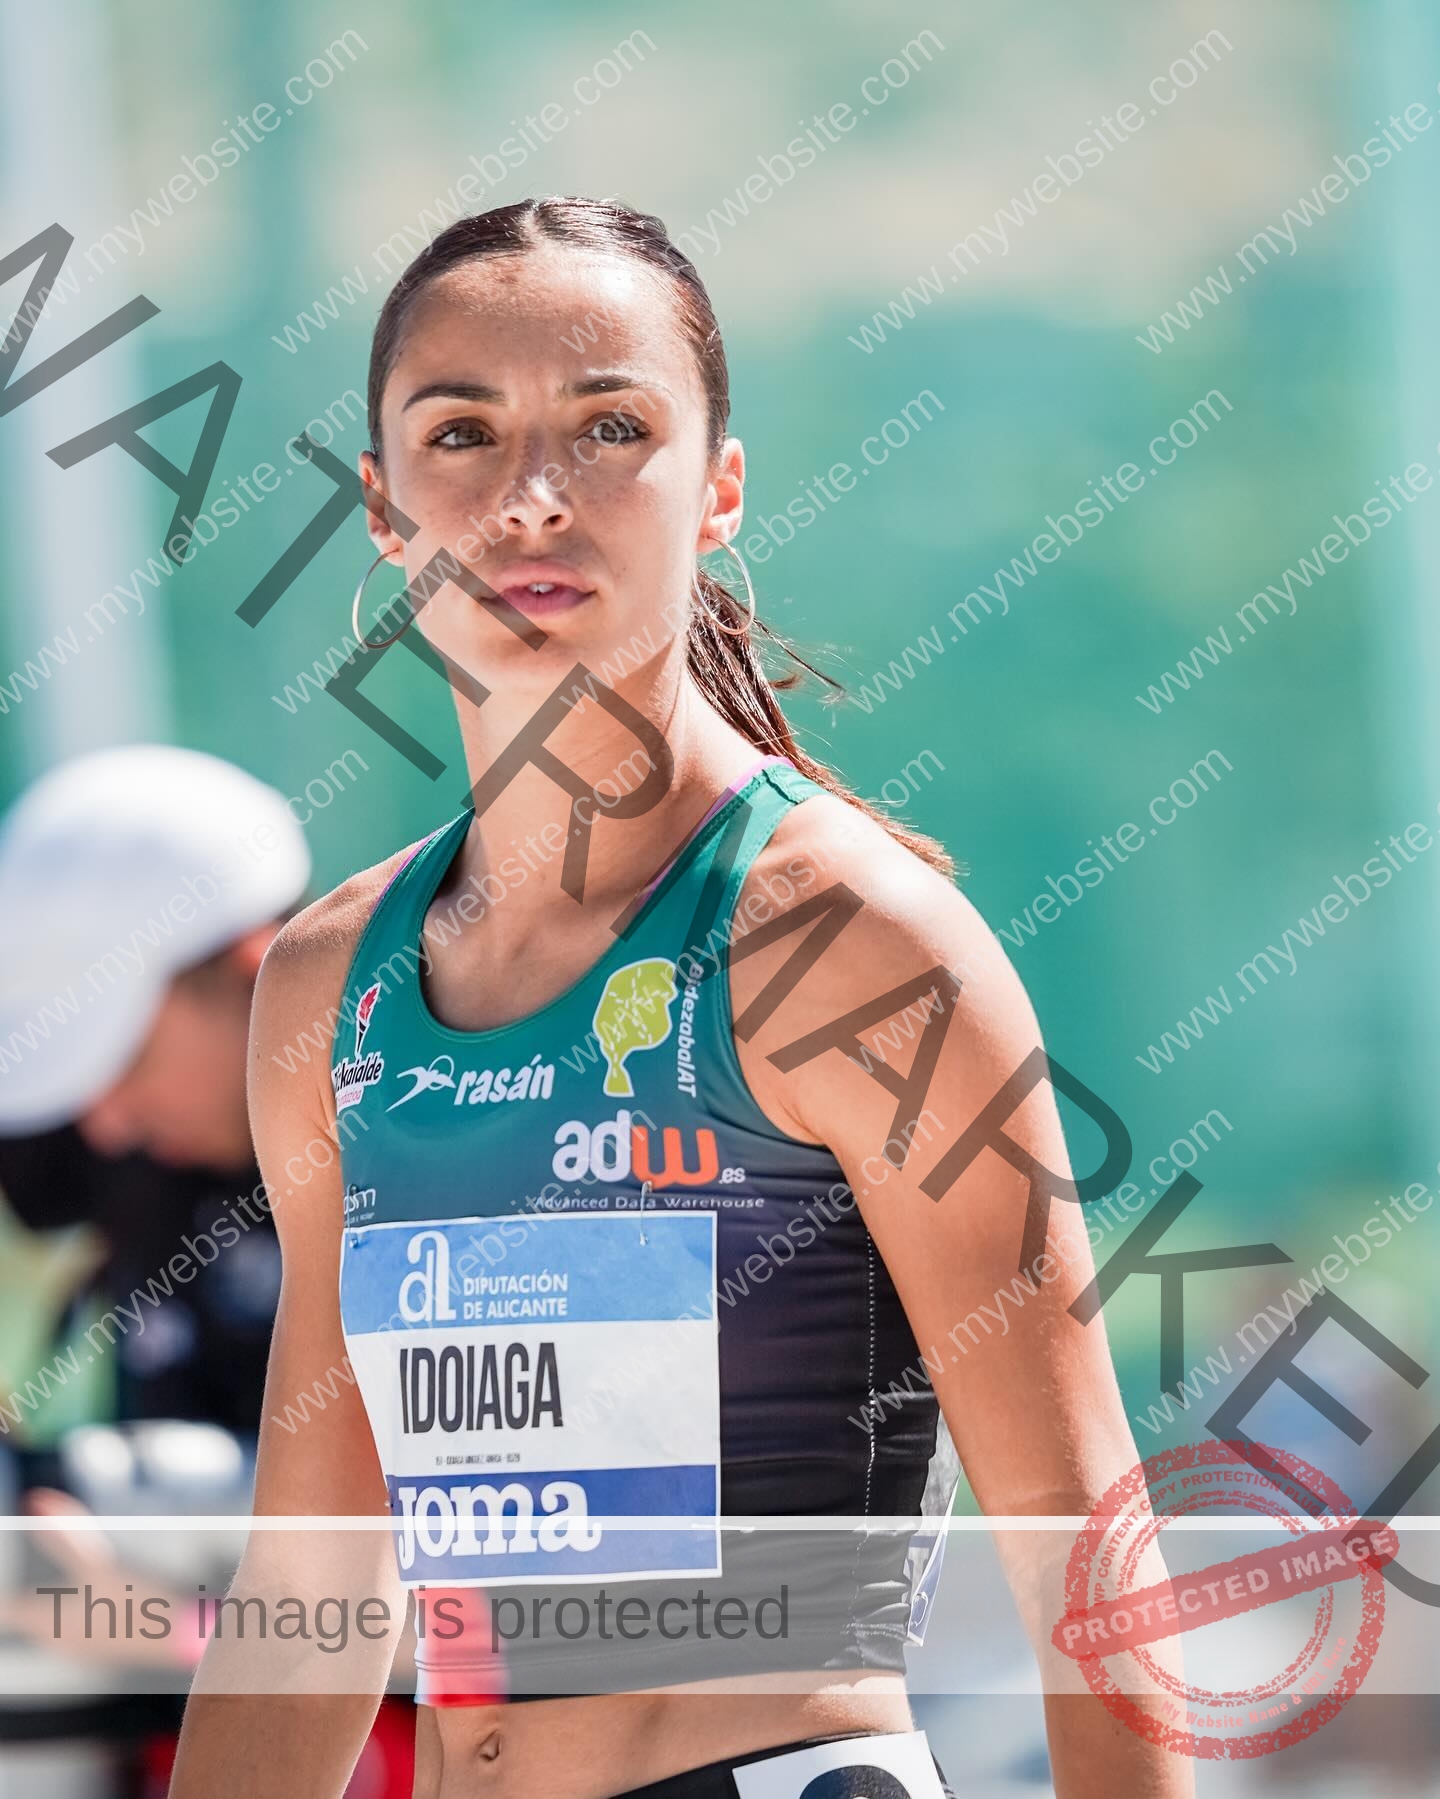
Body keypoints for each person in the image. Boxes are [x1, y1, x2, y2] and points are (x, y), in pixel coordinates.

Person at [170, 198, 1187, 1798]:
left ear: (719, 489)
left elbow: (1091, 1556)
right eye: (462, 434)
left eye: (610, 428)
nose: (532, 498)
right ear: (380, 507)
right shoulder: (330, 983)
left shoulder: (846, 939)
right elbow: (310, 1598)